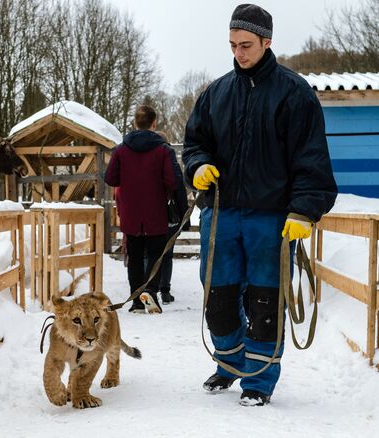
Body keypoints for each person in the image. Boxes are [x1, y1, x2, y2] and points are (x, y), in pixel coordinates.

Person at [182, 4, 337, 406]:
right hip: (223, 213)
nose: (239, 53)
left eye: (246, 45)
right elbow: (196, 143)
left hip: (271, 218)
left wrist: (304, 210)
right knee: (217, 297)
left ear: (267, 42)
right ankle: (228, 364)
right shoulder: (216, 93)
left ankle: (259, 381)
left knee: (265, 301)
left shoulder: (294, 93)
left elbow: (312, 158)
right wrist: (198, 167)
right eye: (232, 45)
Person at [105, 105, 178, 314]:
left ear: (135, 123)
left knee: (135, 256)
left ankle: (136, 300)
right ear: (154, 124)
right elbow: (172, 181)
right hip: (156, 211)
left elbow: (110, 178)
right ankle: (151, 293)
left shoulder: (120, 150)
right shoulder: (163, 150)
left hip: (130, 212)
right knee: (156, 255)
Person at [145, 130, 191, 304]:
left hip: (149, 214)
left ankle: (147, 289)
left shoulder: (146, 160)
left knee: (149, 254)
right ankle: (164, 290)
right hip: (169, 215)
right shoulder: (170, 161)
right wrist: (185, 216)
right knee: (167, 254)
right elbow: (179, 190)